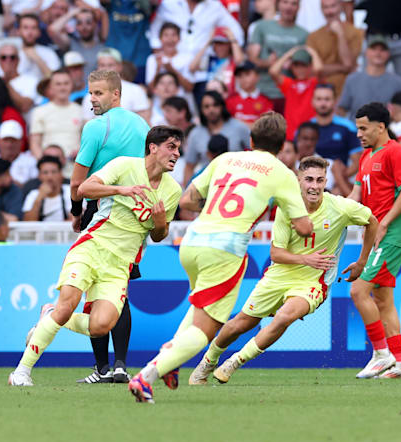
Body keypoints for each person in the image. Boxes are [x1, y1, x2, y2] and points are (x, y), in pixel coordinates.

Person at [128, 112, 313, 403]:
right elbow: (303, 228)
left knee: (200, 305)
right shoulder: (282, 173)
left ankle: (171, 360)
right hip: (226, 249)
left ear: (251, 140)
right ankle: (146, 376)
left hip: (193, 240)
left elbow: (188, 200)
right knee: (206, 329)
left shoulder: (225, 159)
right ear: (282, 146)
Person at [8, 126, 184, 387]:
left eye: (179, 149)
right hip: (92, 246)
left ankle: (49, 316)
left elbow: (158, 235)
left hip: (121, 264)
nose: (177, 154)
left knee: (101, 326)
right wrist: (120, 190)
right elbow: (85, 189)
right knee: (68, 304)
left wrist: (160, 223)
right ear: (153, 147)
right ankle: (21, 372)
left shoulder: (173, 190)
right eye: (171, 146)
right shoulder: (124, 165)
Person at [190, 155, 377, 382]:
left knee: (284, 317)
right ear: (298, 180)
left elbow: (372, 220)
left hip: (312, 282)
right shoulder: (288, 209)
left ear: (326, 181)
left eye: (320, 180)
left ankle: (234, 362)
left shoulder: (340, 207)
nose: (315, 186)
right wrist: (307, 259)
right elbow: (276, 254)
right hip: (279, 275)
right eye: (309, 179)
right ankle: (207, 362)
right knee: (240, 323)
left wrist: (362, 262)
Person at [70, 69, 150, 384]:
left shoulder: (95, 128)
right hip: (135, 216)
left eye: (99, 93)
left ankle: (102, 368)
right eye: (90, 93)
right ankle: (119, 365)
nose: (93, 99)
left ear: (116, 94)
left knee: (96, 288)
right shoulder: (142, 126)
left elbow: (78, 182)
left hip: (102, 210)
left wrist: (76, 211)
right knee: (120, 290)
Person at [348, 102, 401, 379]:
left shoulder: (396, 152)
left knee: (358, 292)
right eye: (357, 128)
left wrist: (385, 223)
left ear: (381, 126)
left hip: (390, 235)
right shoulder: (365, 157)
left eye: (364, 128)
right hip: (375, 236)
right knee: (384, 300)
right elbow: (355, 198)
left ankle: (381, 354)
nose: (359, 134)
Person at [248, 0, 308, 111]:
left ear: (299, 7)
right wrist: (267, 63)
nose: (289, 7)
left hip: (288, 93)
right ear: (278, 4)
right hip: (262, 91)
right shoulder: (262, 26)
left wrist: (292, 66)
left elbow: (305, 70)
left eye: (293, 3)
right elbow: (251, 59)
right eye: (285, 2)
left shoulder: (304, 34)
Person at [181, 90, 251, 186]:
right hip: (208, 186)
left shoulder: (239, 128)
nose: (211, 110)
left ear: (222, 106)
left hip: (239, 183)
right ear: (201, 109)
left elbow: (254, 153)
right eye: (207, 106)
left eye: (215, 105)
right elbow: (189, 166)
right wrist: (186, 192)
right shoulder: (195, 134)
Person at [337, 36, 401, 121]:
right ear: (366, 52)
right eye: (374, 49)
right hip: (357, 131)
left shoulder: (397, 82)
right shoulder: (352, 79)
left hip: (385, 131)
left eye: (382, 49)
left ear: (388, 54)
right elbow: (341, 109)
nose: (378, 53)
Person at [306, 0, 362, 98]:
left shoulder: (355, 33)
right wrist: (342, 68)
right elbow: (313, 69)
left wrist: (340, 34)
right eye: (325, 7)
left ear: (341, 6)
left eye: (333, 6)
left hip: (347, 94)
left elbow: (348, 63)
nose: (330, 11)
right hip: (322, 95)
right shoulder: (313, 36)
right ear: (321, 10)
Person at [81, 47, 150, 122]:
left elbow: (143, 122)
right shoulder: (90, 96)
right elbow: (87, 126)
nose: (106, 69)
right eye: (102, 65)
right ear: (97, 67)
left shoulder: (136, 90)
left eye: (110, 65)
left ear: (120, 67)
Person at [268, 46, 322, 142]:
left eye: (303, 65)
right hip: (291, 134)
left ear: (310, 67)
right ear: (292, 67)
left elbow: (319, 69)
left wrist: (313, 52)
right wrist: (290, 53)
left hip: (311, 133)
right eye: (296, 66)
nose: (300, 69)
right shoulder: (289, 84)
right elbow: (273, 71)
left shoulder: (314, 83)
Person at [29, 69, 83, 160]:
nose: (62, 87)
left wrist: (80, 153)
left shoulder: (81, 111)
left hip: (75, 167)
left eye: (66, 83)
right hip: (50, 169)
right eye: (58, 84)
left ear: (72, 85)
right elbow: (34, 144)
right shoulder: (39, 111)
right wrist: (45, 164)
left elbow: (86, 142)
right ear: (51, 87)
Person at [48, 7, 108, 75]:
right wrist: (72, 13)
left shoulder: (102, 50)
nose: (84, 27)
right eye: (79, 23)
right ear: (76, 26)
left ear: (95, 24)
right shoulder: (70, 44)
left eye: (88, 22)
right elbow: (52, 30)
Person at [145, 22, 194, 93]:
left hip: (182, 101)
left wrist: (172, 70)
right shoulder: (152, 59)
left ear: (179, 38)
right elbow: (150, 90)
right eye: (166, 35)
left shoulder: (188, 58)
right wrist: (158, 69)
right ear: (160, 38)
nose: (170, 39)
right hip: (160, 102)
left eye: (173, 35)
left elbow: (189, 88)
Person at [22, 155, 72, 222]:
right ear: (39, 176)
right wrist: (39, 198)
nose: (49, 177)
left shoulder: (70, 192)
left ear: (61, 174)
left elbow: (76, 220)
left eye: (54, 172)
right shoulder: (33, 194)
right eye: (45, 173)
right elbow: (28, 223)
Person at [226, 61, 273, 128]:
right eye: (239, 75)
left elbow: (267, 127)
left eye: (247, 74)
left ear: (257, 76)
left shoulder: (266, 101)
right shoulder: (230, 101)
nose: (243, 78)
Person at [16, 13, 62, 81]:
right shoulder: (10, 54)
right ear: (18, 31)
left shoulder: (48, 53)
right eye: (25, 28)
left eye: (33, 28)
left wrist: (37, 58)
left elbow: (55, 81)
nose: (30, 32)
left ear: (39, 32)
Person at [0, 120, 37, 187]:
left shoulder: (31, 161)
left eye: (13, 140)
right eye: (6, 140)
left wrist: (9, 181)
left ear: (21, 142)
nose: (9, 145)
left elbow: (34, 187)